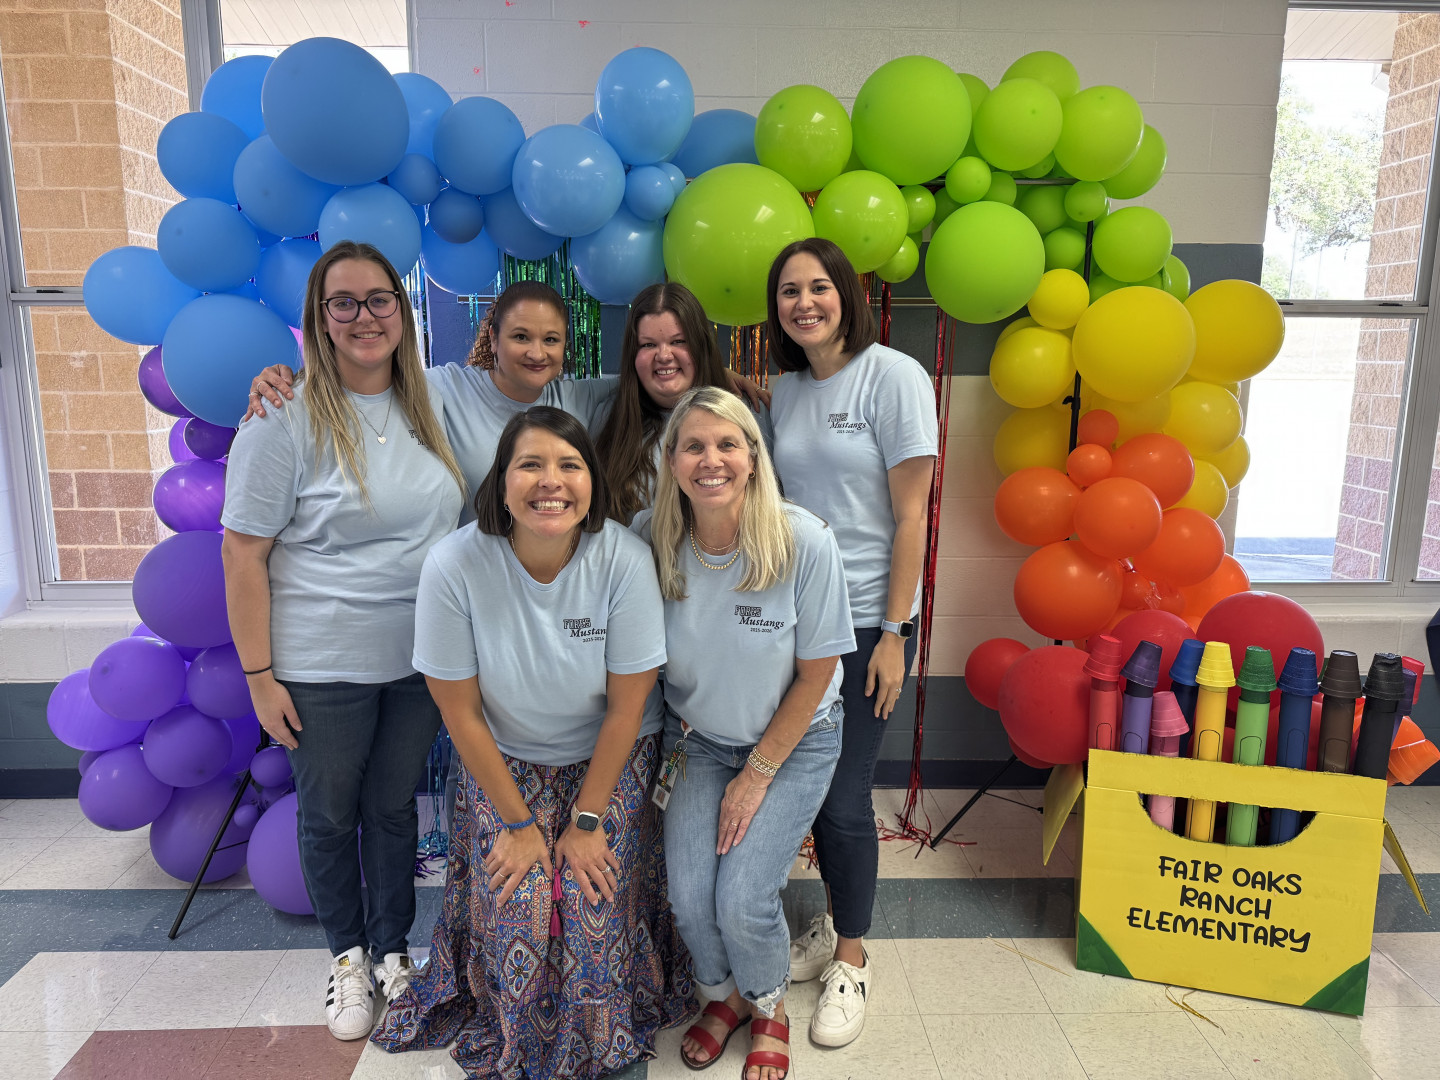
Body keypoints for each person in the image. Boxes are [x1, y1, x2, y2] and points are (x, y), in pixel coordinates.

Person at [372, 406, 693, 1078]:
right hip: (505, 758)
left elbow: (626, 709)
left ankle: (609, 1021)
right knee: (519, 900)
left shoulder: (623, 560)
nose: (552, 482)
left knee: (588, 895)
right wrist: (519, 826)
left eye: (570, 465)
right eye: (530, 465)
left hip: (610, 757)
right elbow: (459, 712)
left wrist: (587, 820)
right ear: (501, 481)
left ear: (592, 483)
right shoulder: (454, 564)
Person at [221, 240, 468, 1041]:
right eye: (344, 302)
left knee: (393, 811)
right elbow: (242, 553)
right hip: (320, 666)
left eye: (379, 299)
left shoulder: (431, 405)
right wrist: (259, 677)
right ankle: (348, 959)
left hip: (419, 661)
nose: (365, 316)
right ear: (319, 318)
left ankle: (393, 949)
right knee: (329, 817)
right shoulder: (281, 419)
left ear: (403, 311)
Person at [633, 387, 853, 1080]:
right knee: (689, 897)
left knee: (743, 899)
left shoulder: (803, 541)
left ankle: (768, 1004)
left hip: (794, 741)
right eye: (693, 446)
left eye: (728, 444)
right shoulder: (648, 539)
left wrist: (756, 776)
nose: (711, 460)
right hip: (696, 740)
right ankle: (724, 996)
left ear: (753, 458)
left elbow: (817, 674)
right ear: (671, 461)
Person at [765, 237, 937, 1048]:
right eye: (789, 291)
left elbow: (913, 516)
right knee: (806, 789)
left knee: (843, 796)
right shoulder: (787, 389)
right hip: (802, 620)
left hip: (871, 620)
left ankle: (854, 958)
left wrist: (895, 634)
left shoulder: (893, 376)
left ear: (847, 294)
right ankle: (831, 921)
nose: (804, 302)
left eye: (819, 287)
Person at [247, 280, 616, 520]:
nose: (537, 352)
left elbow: (643, 381)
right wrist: (290, 379)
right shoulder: (446, 387)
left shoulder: (579, 397)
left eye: (551, 340)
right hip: (471, 578)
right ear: (493, 338)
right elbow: (360, 375)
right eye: (521, 336)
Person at [595, 282, 771, 524]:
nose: (664, 356)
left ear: (700, 346)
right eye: (648, 345)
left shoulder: (747, 412)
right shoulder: (607, 416)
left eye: (678, 341)